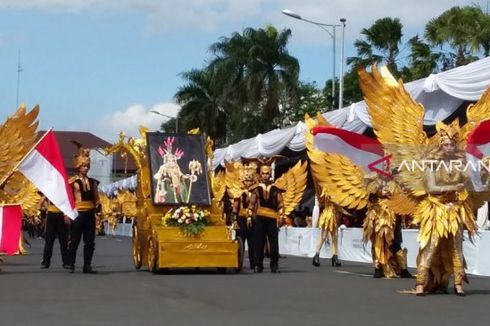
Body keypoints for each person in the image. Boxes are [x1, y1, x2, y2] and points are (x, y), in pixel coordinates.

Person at [414, 123, 477, 296]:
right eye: (445, 144)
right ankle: (420, 282)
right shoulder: (432, 164)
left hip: (455, 209)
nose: (448, 147)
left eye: (451, 144)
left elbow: (468, 184)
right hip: (435, 209)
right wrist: (451, 187)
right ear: (440, 145)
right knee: (430, 245)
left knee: (456, 247)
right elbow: (430, 187)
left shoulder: (460, 164)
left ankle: (458, 283)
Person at [65, 145, 101, 274]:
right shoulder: (73, 182)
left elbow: (96, 198)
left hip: (90, 213)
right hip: (78, 213)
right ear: (78, 167)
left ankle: (87, 265)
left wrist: (98, 210)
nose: (85, 168)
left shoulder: (93, 182)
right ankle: (71, 264)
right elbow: (69, 199)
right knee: (74, 240)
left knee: (90, 241)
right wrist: (67, 214)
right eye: (83, 166)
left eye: (87, 166)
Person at [248, 160, 285, 273]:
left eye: (267, 173)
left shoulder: (275, 188)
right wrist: (249, 216)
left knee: (274, 243)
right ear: (260, 174)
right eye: (263, 173)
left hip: (272, 218)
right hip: (260, 217)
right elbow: (251, 204)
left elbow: (280, 204)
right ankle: (258, 265)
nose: (265, 175)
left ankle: (274, 265)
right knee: (259, 242)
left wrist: (281, 215)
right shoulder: (257, 188)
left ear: (270, 174)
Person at [230, 163, 257, 270]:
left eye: (250, 180)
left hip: (253, 219)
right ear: (243, 181)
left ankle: (253, 264)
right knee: (240, 242)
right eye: (246, 180)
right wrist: (234, 220)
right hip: (241, 219)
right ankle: (237, 262)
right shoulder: (239, 193)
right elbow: (235, 209)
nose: (248, 182)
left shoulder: (256, 192)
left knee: (253, 243)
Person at [40, 195, 70, 269]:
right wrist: (48, 208)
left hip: (61, 214)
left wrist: (66, 214)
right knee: (49, 240)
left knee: (63, 241)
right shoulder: (51, 188)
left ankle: (66, 262)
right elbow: (42, 201)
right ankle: (46, 261)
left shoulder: (63, 187)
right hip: (52, 215)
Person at [312, 196, 343, 267]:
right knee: (323, 236)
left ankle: (335, 256)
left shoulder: (336, 191)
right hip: (327, 215)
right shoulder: (326, 190)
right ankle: (316, 255)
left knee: (335, 237)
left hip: (334, 215)